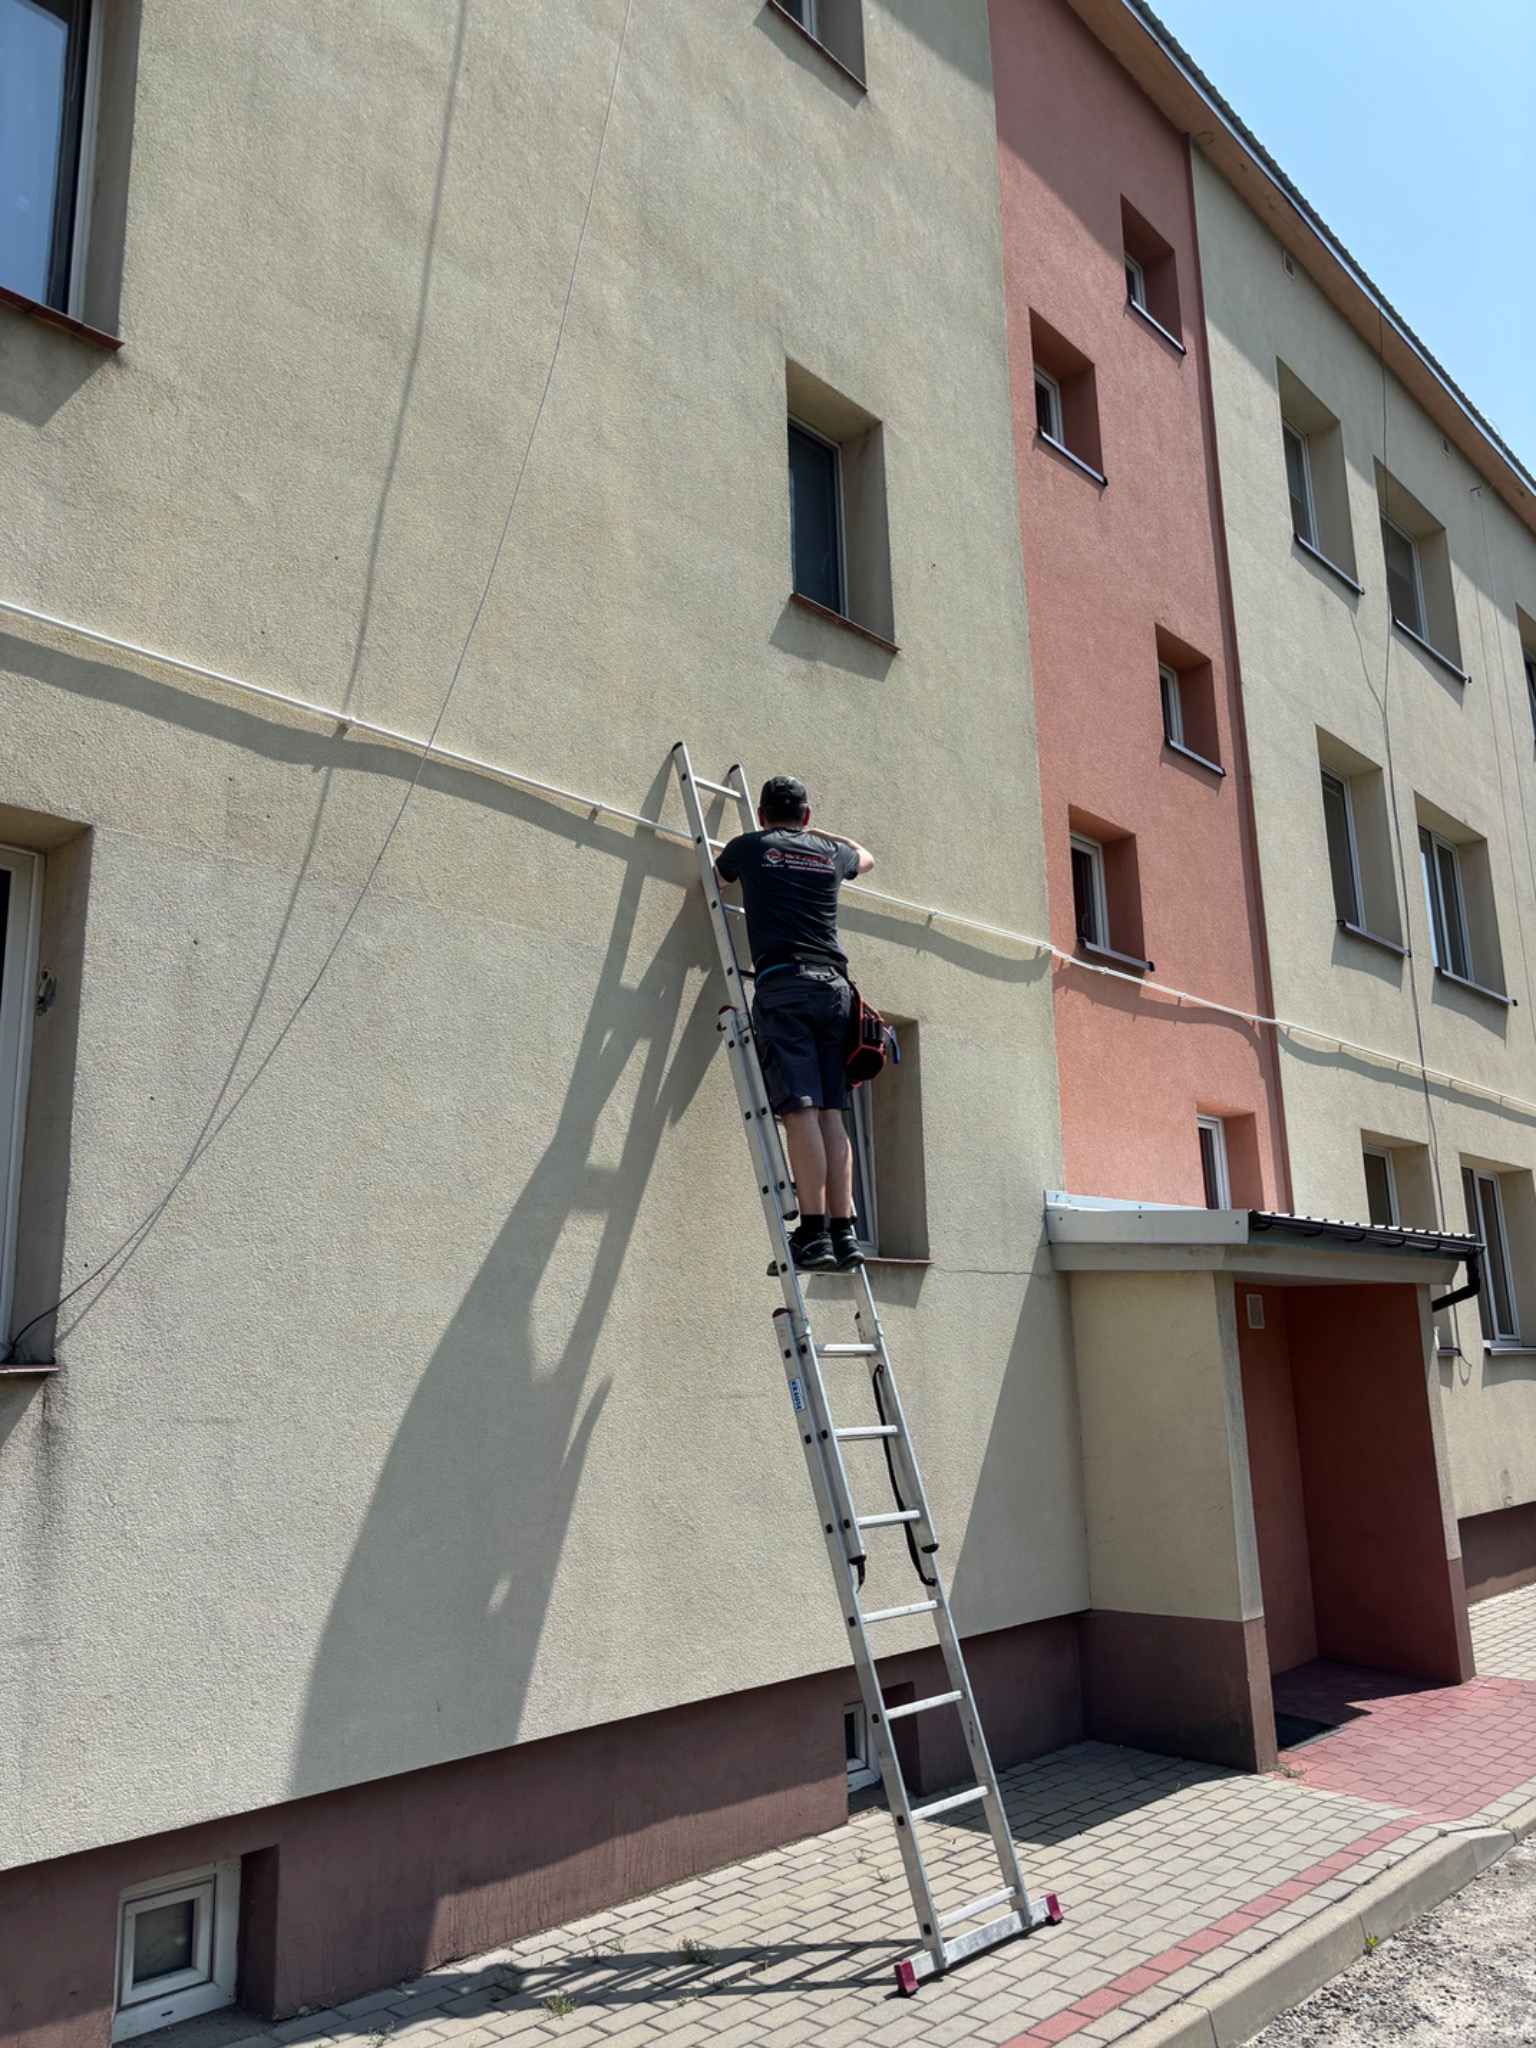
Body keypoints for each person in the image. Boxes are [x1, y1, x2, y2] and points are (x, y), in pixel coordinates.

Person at [715, 774, 875, 1272]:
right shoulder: (830, 854)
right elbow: (865, 857)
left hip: (785, 986)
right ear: (805, 816)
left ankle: (812, 1234)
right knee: (831, 1112)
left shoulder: (749, 846)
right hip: (835, 992)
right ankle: (844, 1233)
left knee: (800, 1111)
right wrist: (819, 838)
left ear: (762, 816)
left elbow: (714, 878)